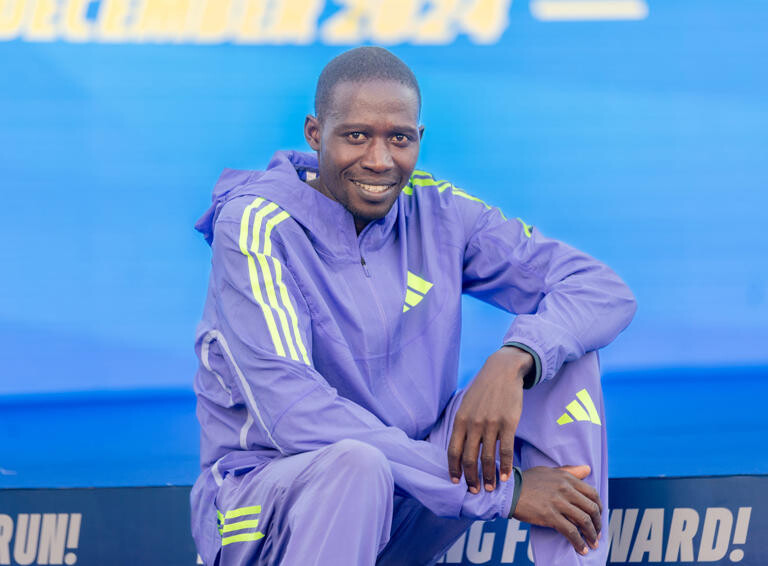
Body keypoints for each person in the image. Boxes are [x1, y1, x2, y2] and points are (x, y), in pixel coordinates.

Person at [190, 46, 636, 566]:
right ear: (315, 133)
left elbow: (600, 289)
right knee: (356, 465)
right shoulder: (254, 227)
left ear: (419, 138)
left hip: (410, 489)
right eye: (356, 136)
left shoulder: (437, 210)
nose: (379, 160)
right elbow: (295, 416)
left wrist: (516, 358)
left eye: (398, 139)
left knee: (560, 357)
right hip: (273, 511)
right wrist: (506, 492)